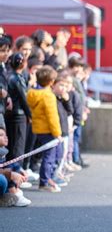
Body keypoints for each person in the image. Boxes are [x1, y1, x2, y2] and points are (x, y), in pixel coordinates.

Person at [26, 65, 62, 193]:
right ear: (51, 81)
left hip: (38, 129)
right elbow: (52, 117)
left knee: (46, 156)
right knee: (49, 157)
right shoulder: (48, 96)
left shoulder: (31, 93)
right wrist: (58, 133)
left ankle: (47, 179)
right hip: (48, 130)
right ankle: (45, 181)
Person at [5, 53, 31, 167]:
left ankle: (12, 173)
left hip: (9, 113)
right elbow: (24, 98)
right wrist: (30, 114)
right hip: (19, 114)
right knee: (18, 145)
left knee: (11, 145)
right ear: (23, 64)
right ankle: (15, 174)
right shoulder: (18, 78)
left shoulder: (7, 76)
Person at [0, 128, 31, 206]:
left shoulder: (3, 150)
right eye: (1, 135)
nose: (5, 137)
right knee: (2, 179)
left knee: (14, 166)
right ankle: (11, 192)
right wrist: (10, 174)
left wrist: (20, 170)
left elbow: (6, 164)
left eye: (5, 135)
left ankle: (13, 191)